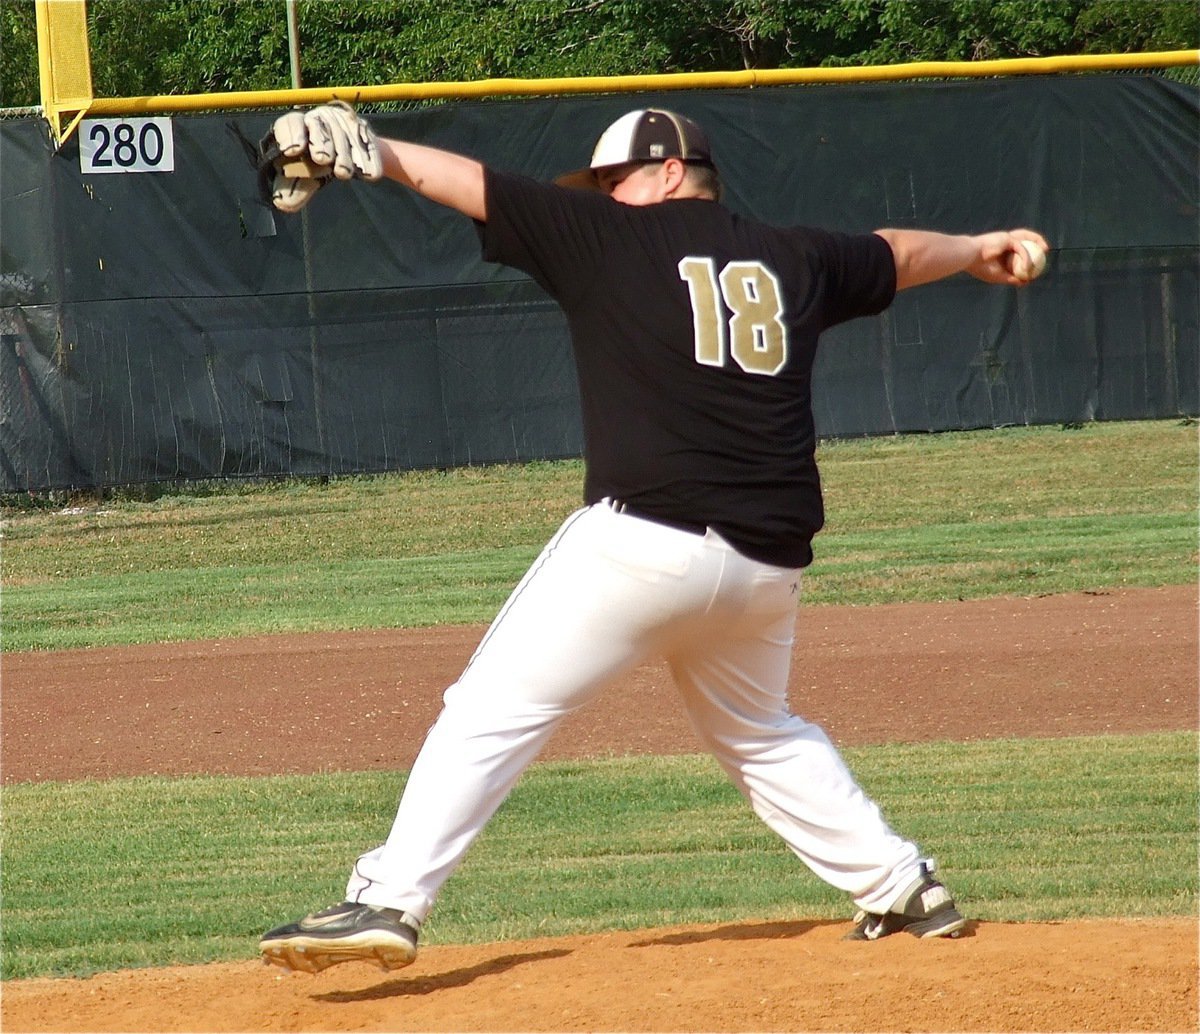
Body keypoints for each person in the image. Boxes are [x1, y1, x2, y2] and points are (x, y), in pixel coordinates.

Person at [257, 103, 1050, 974]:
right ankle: (904, 889)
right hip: (762, 571)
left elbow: (471, 186)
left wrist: (373, 152)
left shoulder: (608, 237)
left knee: (489, 711)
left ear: (671, 171)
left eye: (616, 178)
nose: (604, 193)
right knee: (760, 731)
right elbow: (896, 253)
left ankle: (387, 900)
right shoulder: (797, 257)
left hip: (641, 548)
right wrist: (980, 247)